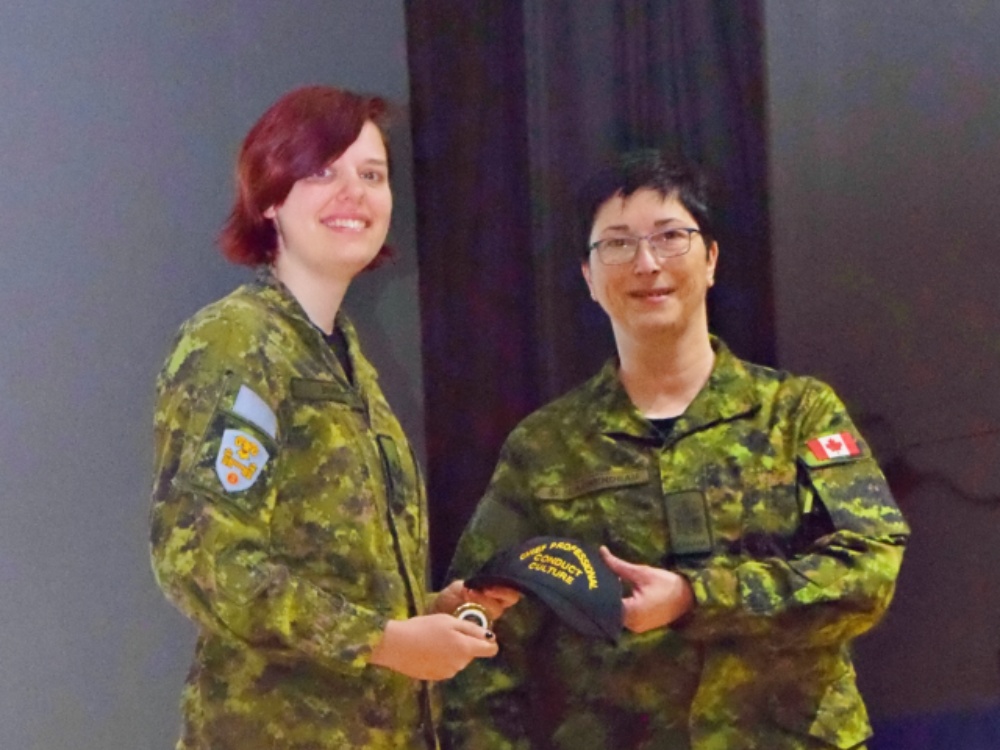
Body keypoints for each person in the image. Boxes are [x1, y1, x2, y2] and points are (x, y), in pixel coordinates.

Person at [442, 151, 910, 750]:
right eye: (616, 243)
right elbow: (483, 631)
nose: (645, 263)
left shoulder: (797, 413)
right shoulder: (545, 448)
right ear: (588, 277)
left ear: (711, 259)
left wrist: (697, 599)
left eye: (670, 237)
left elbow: (869, 572)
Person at [149, 85, 499, 750]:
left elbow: (323, 574)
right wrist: (387, 639)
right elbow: (204, 560)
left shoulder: (345, 360)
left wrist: (425, 615)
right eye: (322, 171)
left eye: (373, 175)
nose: (355, 194)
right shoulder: (240, 344)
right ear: (272, 197)